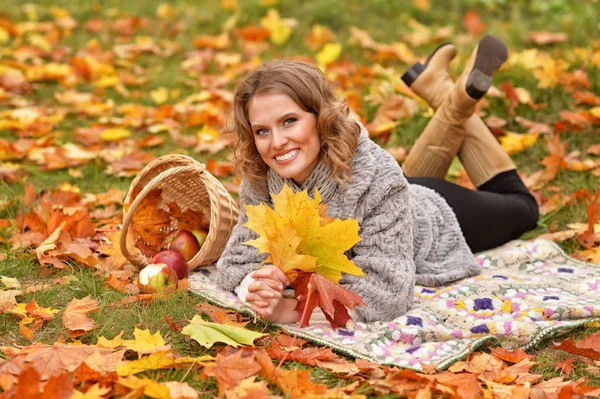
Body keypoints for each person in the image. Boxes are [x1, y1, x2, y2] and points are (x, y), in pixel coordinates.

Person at [216, 35, 539, 325]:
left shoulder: (378, 176)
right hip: (394, 193)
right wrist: (257, 286)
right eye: (262, 130)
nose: (277, 142)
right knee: (404, 177)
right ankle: (437, 87)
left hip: (434, 217)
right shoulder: (261, 178)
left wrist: (292, 312)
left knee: (523, 207)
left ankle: (447, 96)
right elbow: (236, 262)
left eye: (290, 121)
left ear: (321, 118)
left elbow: (387, 293)